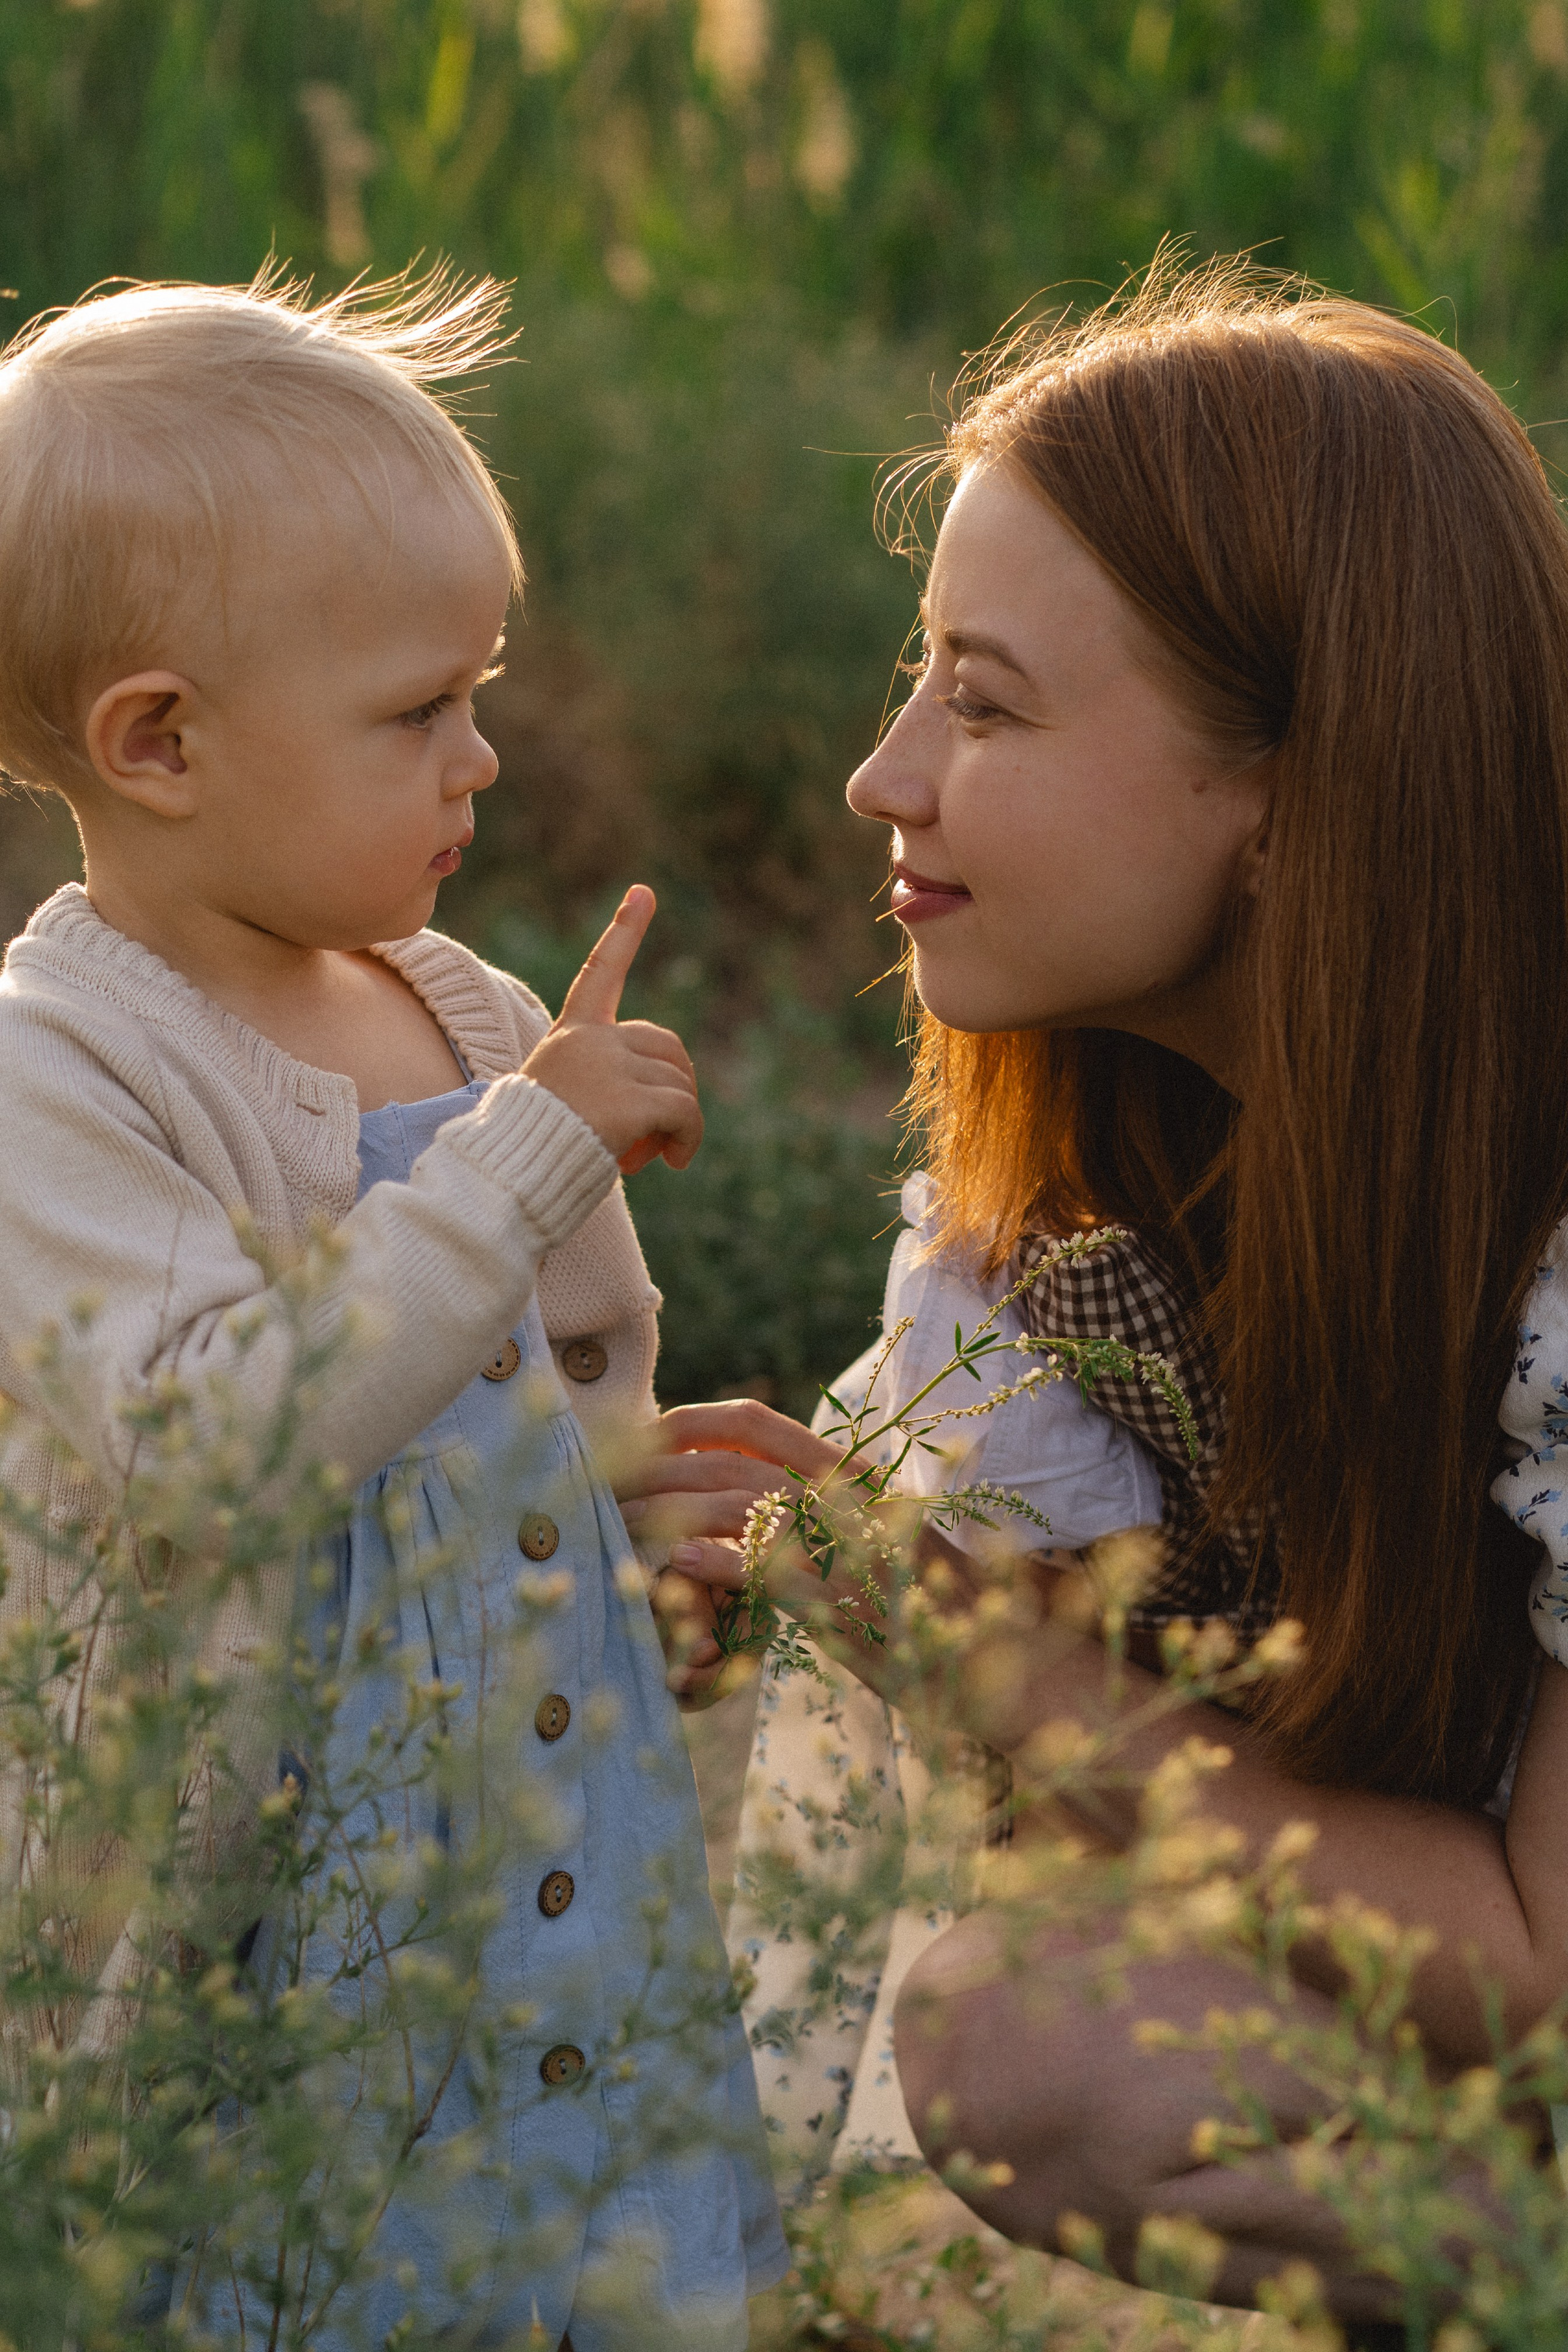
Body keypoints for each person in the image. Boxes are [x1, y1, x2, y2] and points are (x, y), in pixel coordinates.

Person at [633, 260, 1568, 2325]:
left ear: (1292, 786)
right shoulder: (1099, 1227)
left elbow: (1534, 1967)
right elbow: (1102, 1841)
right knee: (1046, 2032)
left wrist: (986, 1656)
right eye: (920, 678)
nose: (885, 775)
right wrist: (731, 1575)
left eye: (985, 704)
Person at [0, 273, 785, 2350]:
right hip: (281, 1914)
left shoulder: (474, 1014)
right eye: (418, 709)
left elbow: (547, 1401)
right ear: (160, 742)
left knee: (595, 2253)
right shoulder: (58, 1076)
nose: (484, 754)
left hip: (554, 1850)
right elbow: (218, 1453)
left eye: (481, 689)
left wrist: (633, 1538)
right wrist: (524, 1160)